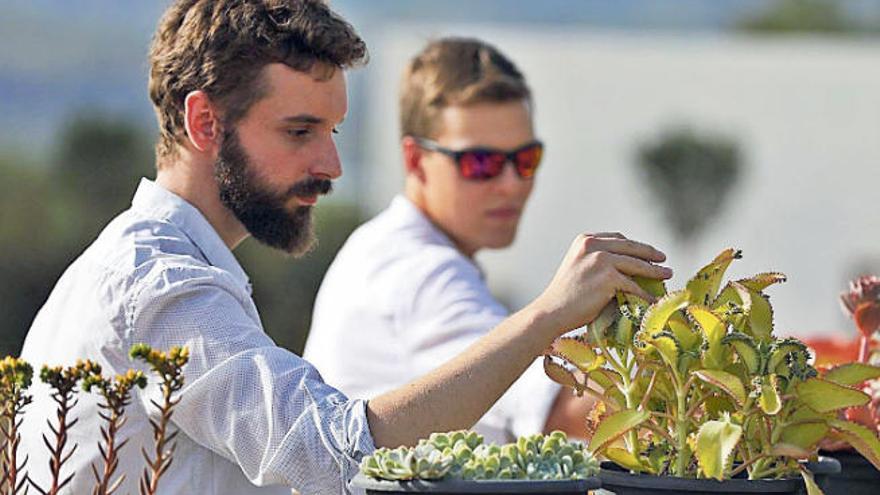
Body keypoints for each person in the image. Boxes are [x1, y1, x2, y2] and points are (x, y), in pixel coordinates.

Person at [19, 1, 672, 494]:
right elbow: (335, 453)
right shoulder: (163, 284)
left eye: (332, 130)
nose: (331, 164)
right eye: (299, 130)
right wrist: (548, 315)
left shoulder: (144, 260)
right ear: (204, 122)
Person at [305, 37, 596, 444]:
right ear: (415, 160)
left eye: (526, 160)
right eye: (482, 163)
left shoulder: (392, 248)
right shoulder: (417, 270)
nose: (512, 185)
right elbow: (570, 407)